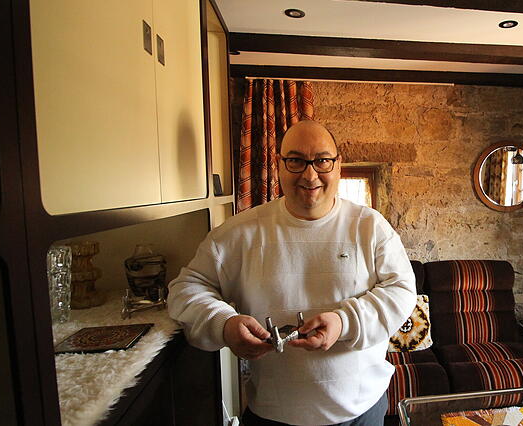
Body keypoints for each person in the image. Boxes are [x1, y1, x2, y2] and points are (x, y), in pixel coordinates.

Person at [167, 120, 417, 425]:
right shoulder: (238, 233)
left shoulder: (370, 226)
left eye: (322, 161)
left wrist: (344, 322)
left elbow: (402, 290)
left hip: (362, 411)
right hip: (273, 416)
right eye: (296, 161)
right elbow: (186, 289)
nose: (310, 175)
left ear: (338, 165)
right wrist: (224, 324)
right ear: (279, 166)